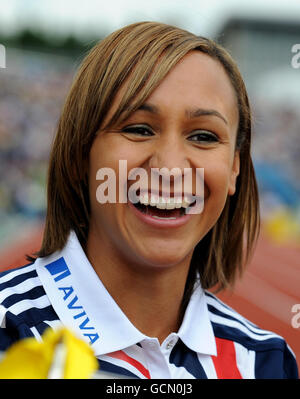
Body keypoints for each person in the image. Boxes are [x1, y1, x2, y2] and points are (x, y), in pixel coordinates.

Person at [0, 21, 298, 379]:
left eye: (203, 136)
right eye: (138, 129)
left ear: (235, 168)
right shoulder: (8, 332)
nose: (171, 168)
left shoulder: (265, 362)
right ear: (81, 153)